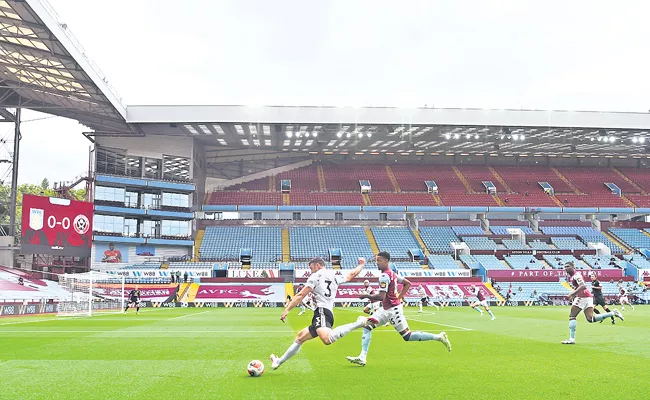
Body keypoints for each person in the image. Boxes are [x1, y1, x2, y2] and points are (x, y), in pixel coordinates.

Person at [346, 251, 451, 367]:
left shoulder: (385, 276)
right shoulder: (392, 274)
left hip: (392, 310)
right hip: (388, 308)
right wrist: (399, 297)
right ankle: (362, 357)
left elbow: (381, 296)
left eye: (379, 261)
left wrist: (366, 296)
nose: (377, 263)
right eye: (376, 261)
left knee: (407, 336)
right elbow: (407, 283)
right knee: (367, 326)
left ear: (386, 261)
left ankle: (438, 337)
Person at [270, 257, 372, 370]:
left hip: (322, 312)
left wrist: (287, 309)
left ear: (318, 265)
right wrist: (361, 265)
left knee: (327, 339)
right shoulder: (334, 275)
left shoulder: (315, 276)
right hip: (325, 312)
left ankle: (359, 323)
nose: (310, 270)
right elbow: (351, 275)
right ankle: (278, 362)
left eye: (311, 267)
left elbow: (300, 295)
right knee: (300, 337)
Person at [562, 263, 623, 344]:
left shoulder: (576, 275)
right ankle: (613, 313)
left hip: (582, 297)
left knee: (572, 316)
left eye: (568, 266)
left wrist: (572, 294)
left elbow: (583, 286)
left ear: (573, 267)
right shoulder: (572, 276)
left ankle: (571, 339)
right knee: (590, 319)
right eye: (565, 267)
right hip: (588, 297)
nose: (566, 268)